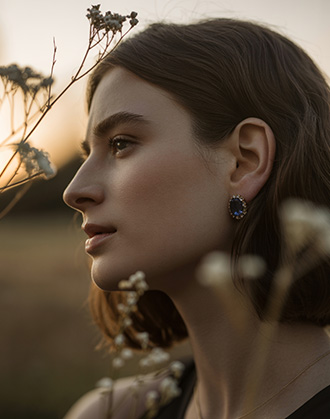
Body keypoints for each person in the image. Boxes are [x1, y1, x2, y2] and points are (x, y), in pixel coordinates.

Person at [63, 18, 330, 418]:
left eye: (120, 144)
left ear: (244, 161)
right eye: (88, 154)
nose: (73, 192)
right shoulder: (112, 413)